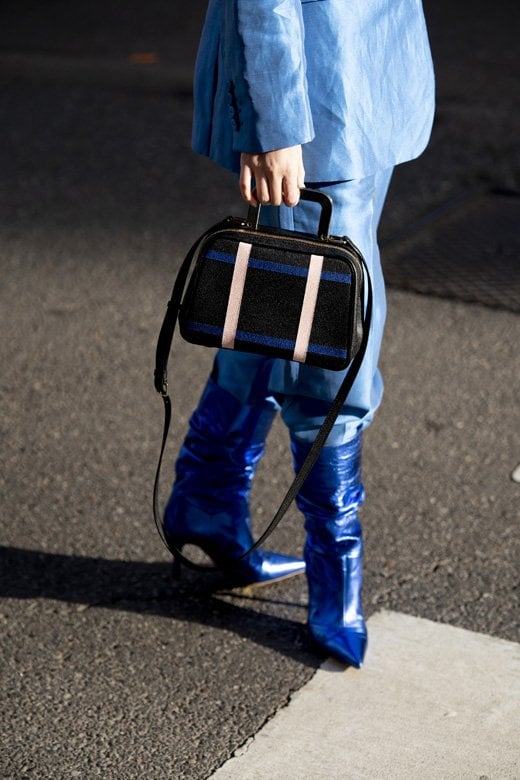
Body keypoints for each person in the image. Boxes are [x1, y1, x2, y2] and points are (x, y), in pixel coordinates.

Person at [163, 0, 435, 668]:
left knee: (281, 307)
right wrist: (275, 123)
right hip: (312, 90)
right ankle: (333, 557)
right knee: (330, 336)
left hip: (370, 64)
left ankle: (208, 493)